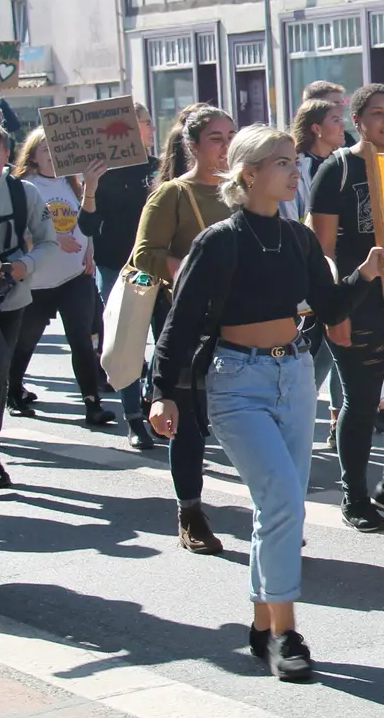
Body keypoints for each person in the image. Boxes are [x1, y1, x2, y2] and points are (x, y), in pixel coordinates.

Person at [148, 125, 384, 681]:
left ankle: (262, 627)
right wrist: (162, 393)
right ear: (249, 174)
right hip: (238, 382)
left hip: (296, 375)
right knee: (283, 499)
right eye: (281, 162)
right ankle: (286, 634)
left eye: (292, 161)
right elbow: (180, 323)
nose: (293, 170)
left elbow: (329, 306)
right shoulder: (220, 239)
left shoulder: (299, 239)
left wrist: (364, 273)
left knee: (276, 508)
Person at [309, 84, 384, 531]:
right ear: (357, 122)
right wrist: (336, 313)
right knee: (360, 403)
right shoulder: (336, 171)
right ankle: (355, 496)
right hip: (357, 304)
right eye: (377, 114)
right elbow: (321, 253)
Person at [131, 104, 237, 553]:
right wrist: (188, 269)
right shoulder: (173, 194)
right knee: (188, 426)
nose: (227, 145)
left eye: (232, 134)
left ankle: (275, 517)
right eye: (216, 137)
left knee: (245, 422)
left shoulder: (246, 190)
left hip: (241, 327)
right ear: (193, 146)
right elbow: (144, 255)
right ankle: (190, 512)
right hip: (189, 328)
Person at [4, 128, 118, 430]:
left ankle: (93, 403)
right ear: (33, 157)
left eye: (57, 153)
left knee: (81, 340)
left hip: (74, 276)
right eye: (46, 153)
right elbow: (21, 233)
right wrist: (52, 239)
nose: (53, 159)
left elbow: (87, 223)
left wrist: (89, 249)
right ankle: (13, 390)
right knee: (25, 341)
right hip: (37, 279)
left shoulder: (73, 183)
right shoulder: (25, 186)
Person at [80, 103, 161, 448]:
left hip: (159, 266)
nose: (151, 129)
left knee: (167, 337)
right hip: (119, 268)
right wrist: (90, 187)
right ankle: (134, 419)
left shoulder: (160, 168)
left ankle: (152, 392)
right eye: (144, 123)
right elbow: (87, 226)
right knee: (127, 342)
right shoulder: (104, 172)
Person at [0, 126, 58, 486]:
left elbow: (49, 241)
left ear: (5, 153)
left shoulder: (24, 193)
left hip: (11, 295)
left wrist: (24, 266)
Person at [283, 97, 347, 450]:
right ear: (316, 128)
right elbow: (294, 214)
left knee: (341, 345)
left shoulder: (344, 163)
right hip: (312, 267)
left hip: (344, 267)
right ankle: (300, 417)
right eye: (335, 119)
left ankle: (339, 418)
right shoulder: (301, 166)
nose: (343, 126)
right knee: (315, 350)